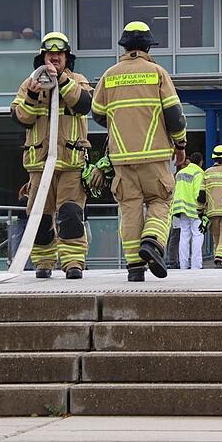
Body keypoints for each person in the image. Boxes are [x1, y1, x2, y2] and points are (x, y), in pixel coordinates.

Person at [92, 21, 187, 282]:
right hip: (155, 155)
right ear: (148, 46)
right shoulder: (157, 73)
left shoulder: (109, 76)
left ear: (124, 46)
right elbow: (175, 117)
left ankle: (135, 267)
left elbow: (98, 113)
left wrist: (119, 124)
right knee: (161, 200)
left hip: (121, 158)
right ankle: (153, 241)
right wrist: (180, 145)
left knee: (130, 208)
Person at [11, 32, 93, 279]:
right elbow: (20, 117)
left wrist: (63, 81)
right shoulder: (30, 83)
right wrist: (34, 94)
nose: (55, 58)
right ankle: (43, 262)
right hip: (39, 164)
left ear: (67, 58)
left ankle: (73, 262)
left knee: (70, 214)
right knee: (40, 216)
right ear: (42, 57)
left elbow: (83, 105)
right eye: (50, 54)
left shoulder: (78, 80)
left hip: (70, 161)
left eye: (59, 54)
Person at [171, 152, 205, 269]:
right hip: (194, 208)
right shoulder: (199, 173)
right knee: (197, 235)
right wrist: (202, 208)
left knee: (184, 236)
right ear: (200, 162)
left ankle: (183, 265)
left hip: (180, 208)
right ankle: (196, 265)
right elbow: (198, 193)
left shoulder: (180, 173)